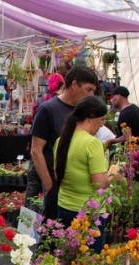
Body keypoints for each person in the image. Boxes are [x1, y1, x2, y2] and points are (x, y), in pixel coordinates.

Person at [26, 65, 99, 220]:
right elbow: (36, 150)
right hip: (56, 186)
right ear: (74, 84)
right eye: (88, 89)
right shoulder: (48, 110)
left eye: (93, 91)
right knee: (52, 233)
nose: (91, 95)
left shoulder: (82, 112)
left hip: (78, 190)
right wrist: (49, 185)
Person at [54, 95, 119, 253]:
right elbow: (100, 183)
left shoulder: (61, 140)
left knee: (69, 259)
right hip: (88, 213)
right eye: (101, 120)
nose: (102, 125)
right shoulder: (92, 143)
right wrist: (113, 173)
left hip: (64, 206)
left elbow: (58, 176)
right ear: (90, 118)